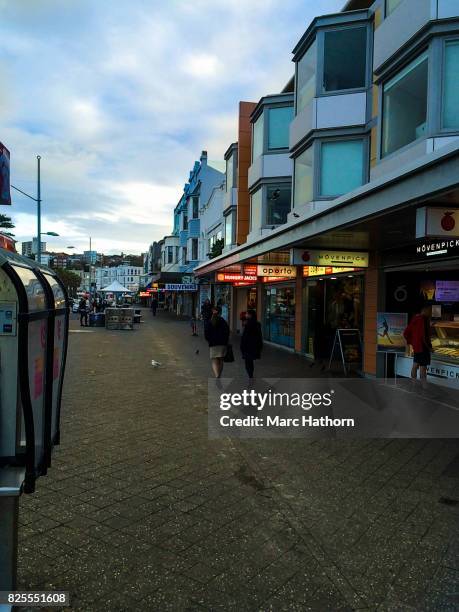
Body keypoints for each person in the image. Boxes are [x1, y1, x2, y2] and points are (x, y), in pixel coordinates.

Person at [403, 305, 432, 380]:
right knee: (423, 368)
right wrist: (429, 347)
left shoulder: (415, 318)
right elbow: (424, 336)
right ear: (424, 310)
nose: (430, 312)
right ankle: (423, 388)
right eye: (429, 310)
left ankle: (413, 385)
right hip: (423, 348)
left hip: (416, 347)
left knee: (415, 365)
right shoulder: (424, 320)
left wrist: (412, 342)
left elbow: (406, 332)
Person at [204, 306, 230, 378]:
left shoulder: (210, 322)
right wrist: (225, 340)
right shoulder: (223, 322)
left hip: (213, 344)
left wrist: (209, 340)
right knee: (221, 360)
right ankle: (219, 374)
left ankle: (216, 375)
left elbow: (206, 333)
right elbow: (227, 332)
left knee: (214, 361)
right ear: (220, 313)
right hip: (222, 344)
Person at [240, 309, 263, 379]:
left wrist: (242, 346)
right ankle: (251, 375)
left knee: (248, 363)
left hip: (248, 347)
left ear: (250, 315)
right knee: (250, 362)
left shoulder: (248, 324)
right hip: (254, 346)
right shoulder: (257, 324)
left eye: (247, 314)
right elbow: (260, 336)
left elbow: (245, 337)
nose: (245, 315)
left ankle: (250, 376)